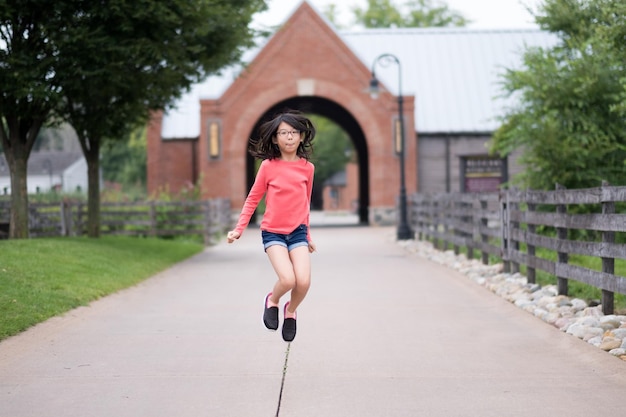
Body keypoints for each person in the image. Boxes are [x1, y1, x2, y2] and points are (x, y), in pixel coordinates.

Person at [227, 110, 316, 342]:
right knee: (288, 279)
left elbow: (305, 203)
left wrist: (308, 234)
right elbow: (253, 199)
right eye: (283, 133)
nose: (289, 137)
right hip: (273, 232)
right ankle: (273, 300)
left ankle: (291, 311)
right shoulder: (268, 166)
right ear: (275, 138)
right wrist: (239, 228)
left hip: (297, 233)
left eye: (294, 132)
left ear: (302, 137)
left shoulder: (308, 168)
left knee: (304, 281)